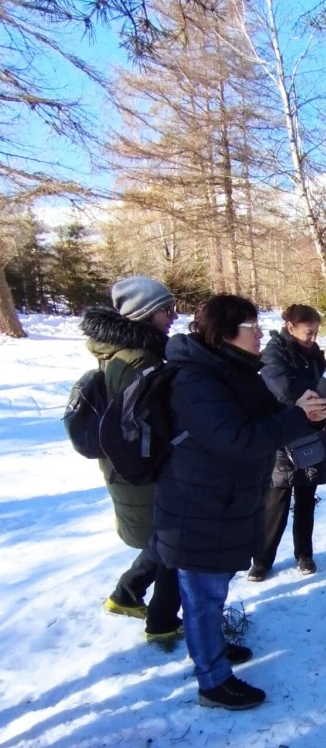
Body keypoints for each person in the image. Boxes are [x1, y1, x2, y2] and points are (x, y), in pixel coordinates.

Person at [152, 294, 326, 710]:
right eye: (252, 325)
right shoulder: (196, 379)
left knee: (211, 593)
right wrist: (297, 416)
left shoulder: (233, 368)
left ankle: (210, 648)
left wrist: (323, 406)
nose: (260, 332)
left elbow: (274, 415)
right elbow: (238, 438)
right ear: (226, 331)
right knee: (202, 596)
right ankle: (212, 682)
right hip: (197, 505)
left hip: (223, 500)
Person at [82, 275, 182, 642]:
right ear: (145, 312)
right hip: (142, 467)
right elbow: (153, 421)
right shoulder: (140, 359)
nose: (173, 315)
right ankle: (162, 623)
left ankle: (126, 594)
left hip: (128, 464)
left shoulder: (121, 352)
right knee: (175, 540)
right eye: (167, 309)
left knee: (162, 537)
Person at [248, 304, 326, 582]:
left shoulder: (315, 356)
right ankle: (262, 560)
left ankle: (304, 554)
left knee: (306, 499)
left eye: (316, 332)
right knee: (275, 502)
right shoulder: (273, 356)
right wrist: (325, 393)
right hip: (282, 437)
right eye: (308, 332)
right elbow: (289, 392)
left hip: (312, 436)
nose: (313, 338)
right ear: (290, 328)